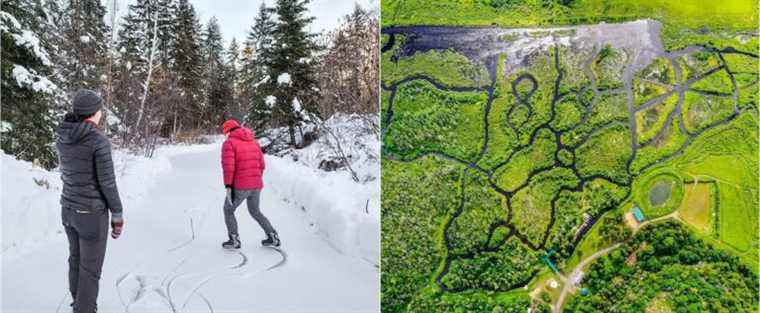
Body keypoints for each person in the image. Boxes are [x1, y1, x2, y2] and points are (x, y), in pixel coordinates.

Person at [56, 89, 124, 313]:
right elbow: (107, 183)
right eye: (100, 109)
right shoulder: (97, 140)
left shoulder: (64, 135)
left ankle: (79, 303)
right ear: (94, 113)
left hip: (68, 209)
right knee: (90, 270)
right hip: (91, 215)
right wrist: (117, 214)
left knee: (75, 260)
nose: (101, 113)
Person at [220, 119, 280, 249]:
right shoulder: (254, 142)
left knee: (228, 210)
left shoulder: (229, 143)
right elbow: (262, 165)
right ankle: (272, 236)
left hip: (240, 186)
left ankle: (234, 239)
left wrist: (229, 186)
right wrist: (255, 179)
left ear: (228, 131)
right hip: (256, 185)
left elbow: (228, 167)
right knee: (255, 211)